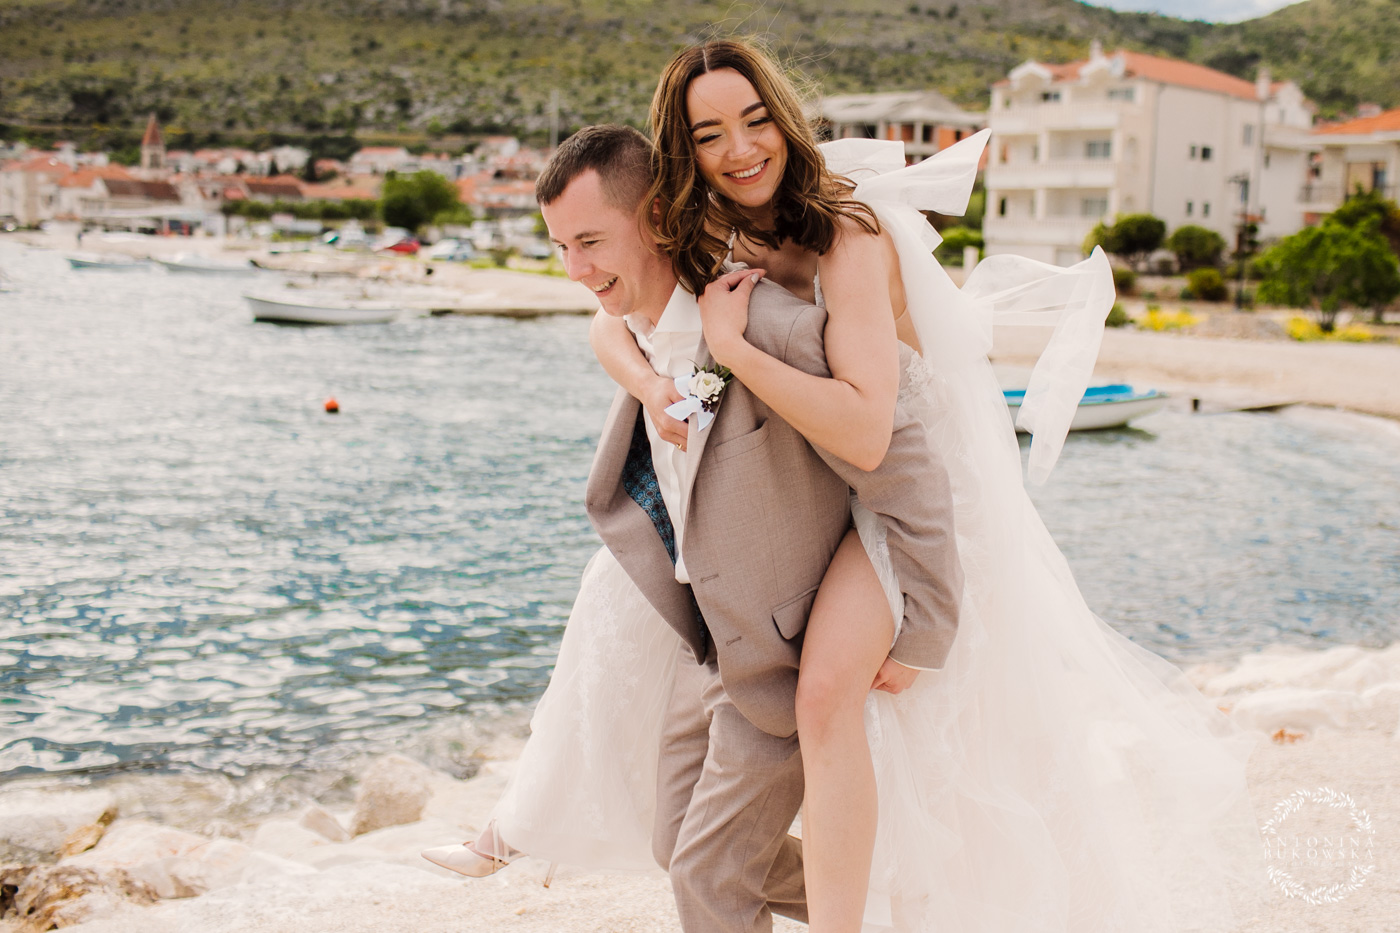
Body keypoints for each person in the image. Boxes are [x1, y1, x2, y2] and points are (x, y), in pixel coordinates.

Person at [433, 40, 1266, 933]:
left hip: (902, 487)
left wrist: (735, 347)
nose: (739, 149)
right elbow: (619, 320)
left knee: (825, 694)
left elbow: (875, 433)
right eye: (709, 135)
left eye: (755, 120)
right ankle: (566, 824)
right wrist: (650, 385)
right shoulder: (711, 232)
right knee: (630, 623)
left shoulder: (849, 234)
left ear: (784, 118)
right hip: (819, 479)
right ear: (683, 155)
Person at [426, 123, 964, 933]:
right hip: (705, 643)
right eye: (560, 246)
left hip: (778, 651)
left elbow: (901, 462)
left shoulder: (767, 327)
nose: (574, 270)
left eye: (590, 242)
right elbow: (614, 338)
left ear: (653, 216)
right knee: (675, 841)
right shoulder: (646, 331)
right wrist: (649, 386)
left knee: (707, 874)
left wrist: (928, 624)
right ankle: (902, 906)